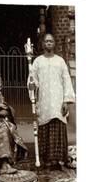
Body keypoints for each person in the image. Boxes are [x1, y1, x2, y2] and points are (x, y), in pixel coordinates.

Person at [30, 33, 75, 169]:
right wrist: (31, 85)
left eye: (51, 41)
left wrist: (66, 101)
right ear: (43, 44)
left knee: (58, 126)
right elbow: (32, 79)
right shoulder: (37, 62)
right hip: (44, 100)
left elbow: (66, 81)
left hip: (58, 100)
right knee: (45, 126)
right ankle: (47, 161)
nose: (49, 43)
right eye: (46, 41)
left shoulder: (60, 61)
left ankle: (58, 161)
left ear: (54, 44)